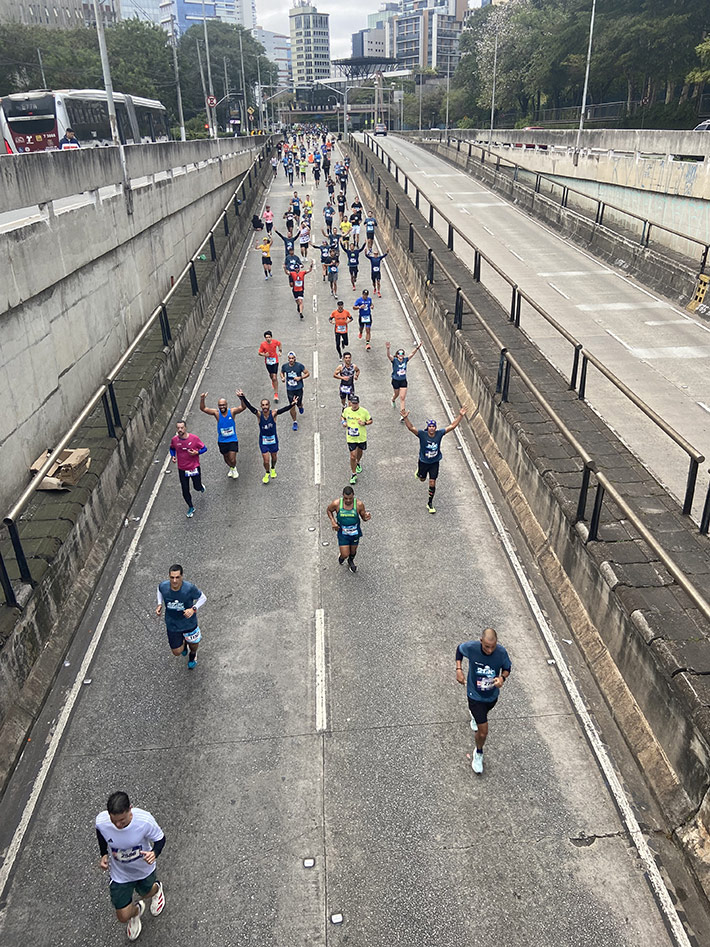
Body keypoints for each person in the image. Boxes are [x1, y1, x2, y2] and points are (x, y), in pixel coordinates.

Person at [96, 791, 166, 941]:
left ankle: (157, 888)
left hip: (143, 870)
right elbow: (101, 833)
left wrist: (154, 853)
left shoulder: (144, 821)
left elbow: (160, 839)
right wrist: (104, 854)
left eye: (122, 820)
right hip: (120, 875)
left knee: (146, 893)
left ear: (130, 809)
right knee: (122, 916)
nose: (118, 825)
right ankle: (136, 912)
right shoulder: (102, 822)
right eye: (114, 821)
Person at [455, 628, 511, 774]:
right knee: (483, 731)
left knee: (483, 715)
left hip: (491, 696)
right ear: (481, 642)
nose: (490, 650)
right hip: (474, 695)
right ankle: (478, 753)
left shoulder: (501, 652)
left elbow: (507, 668)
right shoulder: (472, 648)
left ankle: (475, 716)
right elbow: (459, 651)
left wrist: (502, 678)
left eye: (493, 646)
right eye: (486, 646)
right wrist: (459, 670)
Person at [401, 406, 468, 514]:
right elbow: (411, 428)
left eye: (433, 426)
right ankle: (419, 472)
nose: (432, 428)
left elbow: (452, 426)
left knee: (432, 482)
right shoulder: (422, 435)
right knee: (422, 479)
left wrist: (460, 415)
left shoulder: (439, 434)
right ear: (428, 428)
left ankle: (430, 503)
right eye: (430, 426)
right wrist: (405, 418)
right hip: (423, 462)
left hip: (434, 462)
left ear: (435, 428)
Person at [156, 563, 207, 667]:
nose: (174, 581)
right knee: (177, 652)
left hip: (189, 623)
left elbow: (203, 598)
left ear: (182, 577)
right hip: (172, 624)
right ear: (169, 576)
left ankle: (193, 655)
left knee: (193, 645)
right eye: (172, 577)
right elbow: (159, 590)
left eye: (177, 577)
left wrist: (193, 609)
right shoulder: (164, 586)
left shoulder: (189, 588)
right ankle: (183, 643)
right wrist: (159, 604)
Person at [237, 390, 292, 483]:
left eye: (266, 405)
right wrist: (243, 397)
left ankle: (273, 467)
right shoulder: (259, 414)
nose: (265, 407)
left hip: (273, 440)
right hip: (264, 441)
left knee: (274, 458)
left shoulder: (273, 413)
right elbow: (250, 407)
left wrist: (292, 404)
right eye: (263, 405)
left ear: (269, 406)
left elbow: (284, 409)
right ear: (261, 406)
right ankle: (267, 472)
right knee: (266, 460)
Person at [199, 392, 246, 479]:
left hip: (232, 439)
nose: (222, 407)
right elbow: (203, 408)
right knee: (226, 458)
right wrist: (202, 399)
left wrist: (241, 398)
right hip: (222, 441)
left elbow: (243, 407)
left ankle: (234, 468)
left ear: (226, 405)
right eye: (220, 405)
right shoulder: (216, 413)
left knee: (232, 458)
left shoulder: (231, 412)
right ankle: (231, 468)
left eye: (223, 405)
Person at [326, 485, 371, 573]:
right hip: (343, 533)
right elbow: (328, 510)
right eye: (346, 498)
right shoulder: (336, 503)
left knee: (353, 551)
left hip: (355, 533)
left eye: (350, 498)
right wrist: (333, 521)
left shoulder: (359, 504)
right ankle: (342, 556)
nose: (348, 500)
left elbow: (363, 518)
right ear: (343, 496)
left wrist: (366, 517)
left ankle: (351, 561)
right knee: (345, 554)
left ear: (353, 495)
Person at [169, 421, 207, 518]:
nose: (180, 430)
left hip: (194, 467)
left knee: (196, 487)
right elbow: (172, 448)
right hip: (182, 469)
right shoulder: (174, 440)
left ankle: (200, 487)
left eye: (182, 428)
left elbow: (204, 448)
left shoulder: (194, 438)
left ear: (185, 428)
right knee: (185, 490)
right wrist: (173, 456)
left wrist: (196, 453)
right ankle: (191, 507)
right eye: (178, 428)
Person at [342, 393, 372, 485]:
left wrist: (364, 423)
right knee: (352, 456)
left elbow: (370, 420)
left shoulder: (364, 411)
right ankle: (353, 474)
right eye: (353, 403)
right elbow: (343, 416)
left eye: (356, 403)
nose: (354, 405)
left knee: (360, 452)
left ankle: (358, 462)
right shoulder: (347, 410)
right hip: (351, 437)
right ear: (350, 403)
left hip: (361, 437)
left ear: (358, 403)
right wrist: (343, 422)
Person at [386, 340, 422, 415]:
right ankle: (393, 399)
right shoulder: (395, 361)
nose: (401, 355)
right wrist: (388, 349)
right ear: (397, 355)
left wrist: (417, 348)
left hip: (403, 381)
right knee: (396, 394)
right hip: (395, 380)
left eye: (402, 354)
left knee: (402, 398)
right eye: (399, 353)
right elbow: (389, 356)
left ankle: (403, 413)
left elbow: (412, 354)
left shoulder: (405, 360)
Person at [281, 351, 310, 431]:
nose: (291, 360)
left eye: (292, 358)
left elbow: (307, 373)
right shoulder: (285, 366)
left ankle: (300, 406)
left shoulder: (299, 366)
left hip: (298, 388)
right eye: (289, 358)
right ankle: (295, 422)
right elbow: (282, 372)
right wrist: (283, 378)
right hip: (290, 389)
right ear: (288, 359)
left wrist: (300, 378)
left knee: (298, 403)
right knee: (292, 405)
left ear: (295, 358)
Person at [258, 330, 283, 401]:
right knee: (271, 375)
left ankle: (276, 394)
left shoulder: (275, 342)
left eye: (269, 337)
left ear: (271, 337)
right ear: (265, 338)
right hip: (268, 362)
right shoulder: (263, 344)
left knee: (274, 377)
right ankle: (273, 381)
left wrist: (280, 351)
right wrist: (264, 355)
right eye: (266, 337)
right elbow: (259, 352)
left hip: (275, 361)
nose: (268, 339)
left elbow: (279, 344)